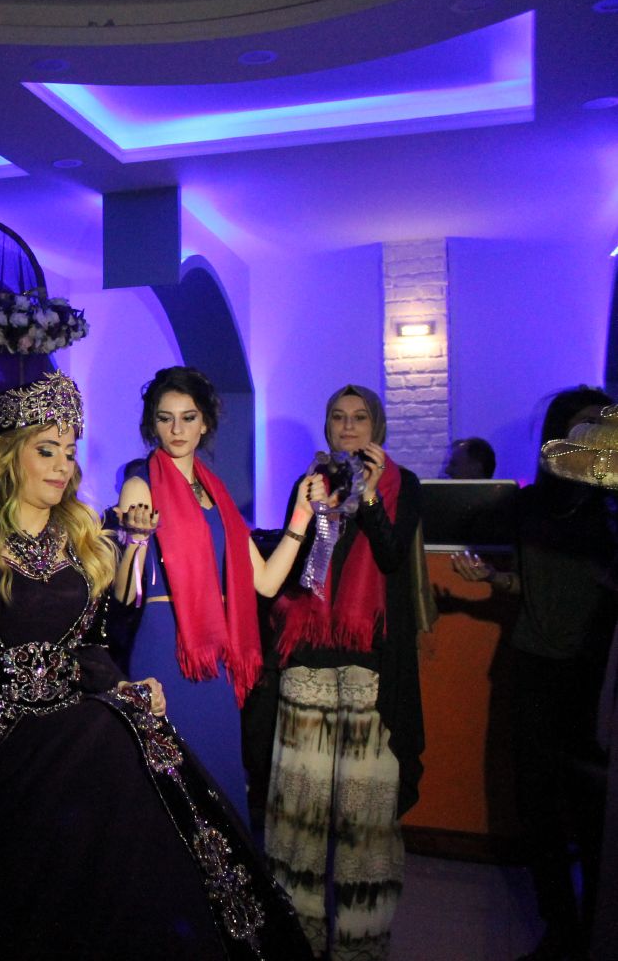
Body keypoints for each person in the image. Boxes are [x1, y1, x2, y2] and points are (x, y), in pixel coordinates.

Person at [0, 371, 310, 961]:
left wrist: (126, 686)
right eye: (46, 450)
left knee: (138, 756)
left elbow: (92, 646)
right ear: (7, 456)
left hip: (70, 723)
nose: (61, 466)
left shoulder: (79, 539)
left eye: (69, 453)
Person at [451, 386, 617, 961]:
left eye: (602, 425)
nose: (594, 435)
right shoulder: (531, 505)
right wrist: (489, 580)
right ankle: (561, 931)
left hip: (593, 674)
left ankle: (597, 932)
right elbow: (530, 585)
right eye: (582, 425)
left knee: (593, 813)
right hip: (530, 666)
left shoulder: (609, 508)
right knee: (537, 807)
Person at [111, 365, 320, 818]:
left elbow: (265, 581)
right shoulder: (140, 484)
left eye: (188, 417)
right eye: (165, 418)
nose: (177, 429)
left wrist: (301, 517)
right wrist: (136, 541)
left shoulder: (216, 492)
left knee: (220, 779)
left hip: (217, 657)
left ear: (204, 422)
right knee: (170, 788)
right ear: (152, 424)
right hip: (165, 647)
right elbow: (125, 594)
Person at [263, 383, 425, 961]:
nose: (348, 426)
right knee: (297, 819)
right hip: (308, 661)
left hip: (370, 670)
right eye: (338, 417)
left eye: (360, 417)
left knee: (365, 823)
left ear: (376, 426)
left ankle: (361, 945)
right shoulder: (311, 482)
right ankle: (296, 941)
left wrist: (372, 496)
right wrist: (308, 509)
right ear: (327, 424)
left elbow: (392, 556)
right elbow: (295, 569)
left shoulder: (404, 484)